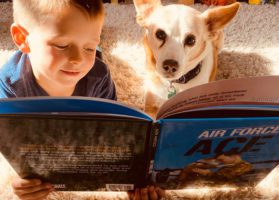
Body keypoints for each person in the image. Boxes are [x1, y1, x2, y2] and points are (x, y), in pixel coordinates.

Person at [1, 0, 164, 199]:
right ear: (22, 38)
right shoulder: (10, 88)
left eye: (90, 47)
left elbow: (115, 134)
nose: (77, 59)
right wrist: (23, 181)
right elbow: (16, 149)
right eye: (62, 45)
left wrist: (132, 177)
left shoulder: (99, 75)